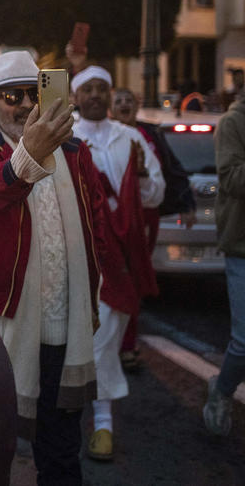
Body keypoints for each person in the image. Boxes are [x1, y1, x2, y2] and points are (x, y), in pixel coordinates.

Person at [0, 50, 111, 485]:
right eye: (10, 96)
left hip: (64, 322)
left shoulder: (76, 154)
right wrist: (30, 153)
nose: (22, 104)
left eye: (30, 93)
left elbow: (96, 222)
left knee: (61, 451)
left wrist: (94, 294)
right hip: (2, 321)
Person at [71, 66, 164, 462]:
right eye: (86, 89)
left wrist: (141, 174)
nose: (95, 95)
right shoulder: (63, 136)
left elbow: (156, 195)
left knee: (104, 339)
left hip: (118, 256)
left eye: (101, 89)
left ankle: (104, 424)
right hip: (74, 251)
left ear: (110, 96)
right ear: (74, 96)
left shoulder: (132, 139)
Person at [111, 87, 196, 369]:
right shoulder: (103, 135)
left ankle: (127, 344)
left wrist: (187, 203)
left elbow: (172, 170)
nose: (124, 104)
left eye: (128, 100)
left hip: (145, 217)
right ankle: (109, 344)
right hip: (111, 220)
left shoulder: (150, 135)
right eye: (118, 101)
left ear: (137, 105)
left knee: (134, 278)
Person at [204, 85, 245, 435]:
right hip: (243, 245)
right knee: (244, 340)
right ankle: (221, 391)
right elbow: (232, 179)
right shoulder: (233, 122)